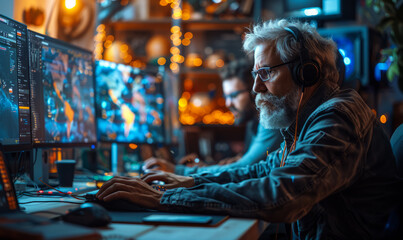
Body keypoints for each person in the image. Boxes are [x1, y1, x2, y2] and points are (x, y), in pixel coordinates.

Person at [96, 19, 403, 239]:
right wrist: (187, 181)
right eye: (256, 74)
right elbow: (257, 171)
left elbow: (281, 195)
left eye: (265, 73)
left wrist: (163, 198)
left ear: (306, 73)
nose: (256, 87)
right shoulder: (305, 121)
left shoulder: (337, 119)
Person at [143, 59, 283, 175]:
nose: (228, 103)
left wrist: (178, 170)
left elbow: (246, 167)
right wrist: (209, 167)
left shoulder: (271, 121)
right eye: (226, 97)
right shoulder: (253, 121)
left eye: (234, 96)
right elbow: (246, 164)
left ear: (254, 92)